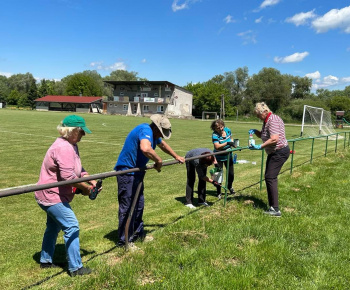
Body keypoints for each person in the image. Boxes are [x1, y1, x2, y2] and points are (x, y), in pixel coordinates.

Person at [35, 115, 101, 276]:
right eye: (81, 132)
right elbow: (68, 178)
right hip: (51, 195)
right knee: (71, 226)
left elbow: (78, 169)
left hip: (53, 195)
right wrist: (85, 189)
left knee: (53, 227)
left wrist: (90, 181)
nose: (83, 135)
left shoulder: (71, 145)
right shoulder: (64, 147)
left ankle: (45, 260)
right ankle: (75, 268)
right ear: (71, 131)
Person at [114, 114, 185, 246]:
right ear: (157, 128)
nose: (162, 136)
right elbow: (145, 148)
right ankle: (125, 241)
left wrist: (176, 156)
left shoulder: (153, 134)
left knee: (139, 204)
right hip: (127, 171)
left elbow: (162, 144)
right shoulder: (145, 130)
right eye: (162, 133)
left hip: (138, 172)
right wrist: (158, 160)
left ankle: (138, 234)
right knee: (128, 206)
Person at [249, 102, 290, 217]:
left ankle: (275, 209)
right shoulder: (267, 120)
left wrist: (260, 146)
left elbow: (274, 139)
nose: (258, 117)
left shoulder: (273, 120)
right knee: (269, 177)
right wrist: (256, 132)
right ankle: (273, 206)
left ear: (264, 112)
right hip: (274, 152)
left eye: (258, 115)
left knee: (270, 177)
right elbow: (265, 135)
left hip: (279, 152)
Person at [211, 119, 236, 199]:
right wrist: (227, 143)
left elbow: (231, 138)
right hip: (219, 157)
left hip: (229, 155)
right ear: (214, 128)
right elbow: (217, 146)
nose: (220, 129)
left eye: (221, 127)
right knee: (219, 175)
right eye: (218, 128)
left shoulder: (228, 130)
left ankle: (230, 187)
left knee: (231, 174)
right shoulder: (215, 135)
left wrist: (232, 143)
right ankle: (218, 191)